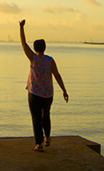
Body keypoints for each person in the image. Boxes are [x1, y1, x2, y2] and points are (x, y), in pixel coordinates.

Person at [18, 19, 68, 152]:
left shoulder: (33, 58)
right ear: (45, 48)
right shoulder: (50, 60)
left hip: (34, 93)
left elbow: (23, 43)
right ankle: (47, 137)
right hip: (47, 94)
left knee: (36, 118)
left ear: (34, 48)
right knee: (46, 115)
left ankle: (39, 144)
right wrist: (64, 90)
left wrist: (21, 28)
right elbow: (57, 75)